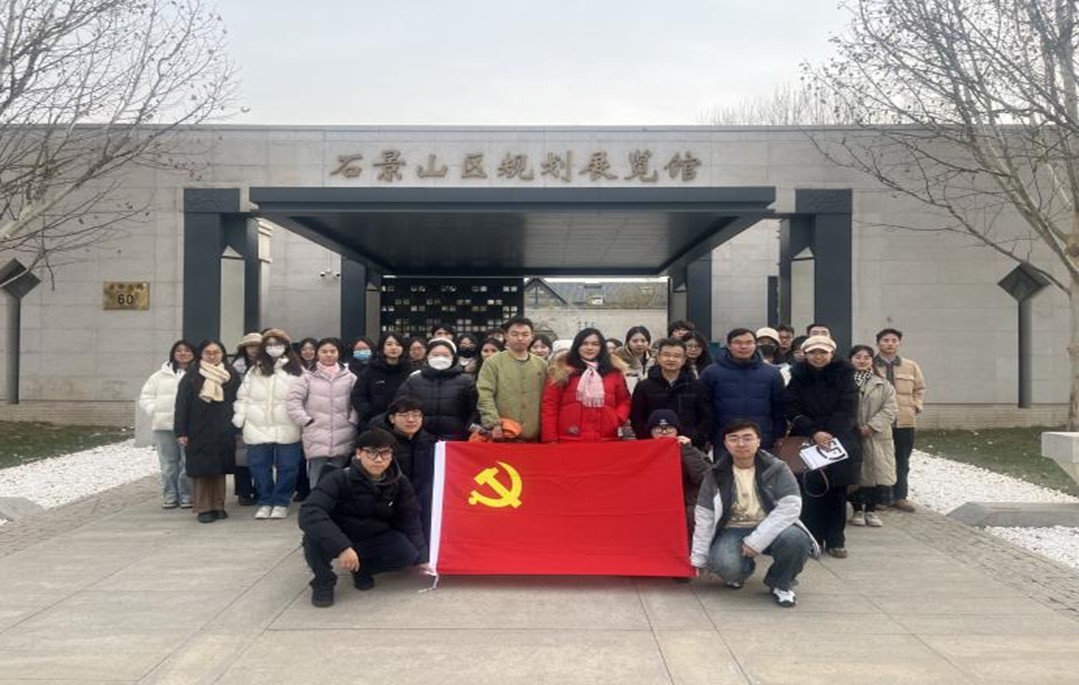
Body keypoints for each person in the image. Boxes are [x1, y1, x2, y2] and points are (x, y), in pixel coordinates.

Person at [690, 419, 818, 608]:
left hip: (771, 524)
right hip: (732, 528)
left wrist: (757, 541)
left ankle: (781, 583)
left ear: (758, 441)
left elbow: (790, 506)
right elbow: (705, 516)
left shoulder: (778, 468)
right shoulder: (715, 474)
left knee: (797, 540)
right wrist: (699, 558)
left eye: (747, 438)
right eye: (734, 439)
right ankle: (740, 571)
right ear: (725, 443)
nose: (741, 444)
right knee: (725, 565)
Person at [298, 427, 428, 608]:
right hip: (339, 534)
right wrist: (342, 547)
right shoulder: (338, 478)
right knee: (312, 538)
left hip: (373, 535)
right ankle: (323, 581)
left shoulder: (399, 482)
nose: (379, 459)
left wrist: (422, 557)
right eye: (372, 453)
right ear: (359, 453)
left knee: (407, 554)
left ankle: (363, 568)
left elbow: (409, 518)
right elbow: (310, 511)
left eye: (385, 453)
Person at [784, 335, 861, 558]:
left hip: (840, 439)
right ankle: (813, 538)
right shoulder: (797, 376)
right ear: (805, 354)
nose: (818, 356)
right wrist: (813, 431)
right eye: (813, 352)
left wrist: (830, 433)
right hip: (808, 439)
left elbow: (848, 408)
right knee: (810, 491)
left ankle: (836, 539)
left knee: (837, 492)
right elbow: (791, 406)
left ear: (832, 353)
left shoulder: (845, 375)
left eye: (823, 352)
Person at [233, 328, 306, 520]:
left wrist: (304, 419)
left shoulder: (297, 370)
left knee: (288, 467)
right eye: (270, 344)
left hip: (288, 425)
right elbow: (243, 396)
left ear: (286, 346)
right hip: (257, 424)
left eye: (278, 344)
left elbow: (306, 397)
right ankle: (265, 500)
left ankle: (281, 501)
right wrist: (240, 417)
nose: (274, 348)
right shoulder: (255, 370)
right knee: (258, 466)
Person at [174, 340, 241, 524]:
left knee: (219, 469)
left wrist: (237, 427)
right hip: (198, 428)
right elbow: (181, 404)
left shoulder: (230, 374)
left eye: (216, 352)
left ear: (222, 354)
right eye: (208, 352)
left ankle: (218, 505)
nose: (212, 356)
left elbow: (238, 401)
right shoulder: (192, 374)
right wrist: (181, 431)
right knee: (201, 469)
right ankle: (203, 508)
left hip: (223, 428)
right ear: (201, 354)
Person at [287, 337, 359, 488]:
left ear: (339, 353)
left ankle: (335, 502)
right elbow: (293, 401)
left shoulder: (350, 377)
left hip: (343, 433)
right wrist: (306, 420)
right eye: (324, 351)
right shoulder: (307, 377)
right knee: (317, 474)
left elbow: (358, 401)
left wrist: (352, 421)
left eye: (333, 351)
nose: (328, 355)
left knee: (339, 476)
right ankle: (316, 501)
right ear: (317, 354)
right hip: (316, 433)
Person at [700, 328, 786, 450]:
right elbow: (704, 407)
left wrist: (779, 435)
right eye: (738, 342)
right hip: (725, 438)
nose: (743, 346)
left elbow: (778, 408)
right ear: (728, 346)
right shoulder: (711, 372)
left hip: (761, 437)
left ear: (755, 345)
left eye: (749, 342)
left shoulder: (771, 373)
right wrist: (706, 436)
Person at [541, 327, 631, 443]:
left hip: (605, 438)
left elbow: (624, 401)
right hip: (569, 438)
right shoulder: (561, 371)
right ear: (577, 346)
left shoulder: (613, 372)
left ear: (601, 347)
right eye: (584, 343)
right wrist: (550, 439)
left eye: (595, 344)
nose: (589, 348)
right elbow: (550, 406)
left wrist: (616, 419)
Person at [873, 328, 926, 513]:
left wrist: (915, 406)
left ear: (899, 343)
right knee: (880, 459)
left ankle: (900, 496)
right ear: (878, 343)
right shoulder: (870, 364)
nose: (890, 343)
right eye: (885, 340)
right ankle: (882, 498)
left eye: (894, 340)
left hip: (904, 422)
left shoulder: (910, 366)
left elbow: (920, 389)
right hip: (879, 422)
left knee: (902, 460)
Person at [139, 339, 195, 509]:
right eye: (179, 350)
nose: (183, 353)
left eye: (187, 350)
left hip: (189, 426)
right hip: (164, 426)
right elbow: (146, 397)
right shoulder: (159, 376)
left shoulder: (197, 374)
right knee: (168, 463)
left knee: (187, 462)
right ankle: (170, 495)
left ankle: (186, 495)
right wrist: (155, 410)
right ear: (173, 353)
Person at [629, 338, 712, 449]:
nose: (671, 359)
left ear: (684, 359)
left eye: (677, 356)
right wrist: (648, 439)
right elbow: (637, 418)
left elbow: (706, 418)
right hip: (653, 446)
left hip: (689, 446)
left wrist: (694, 439)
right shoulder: (644, 386)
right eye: (666, 355)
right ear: (658, 357)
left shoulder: (697, 386)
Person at [476, 315, 548, 442]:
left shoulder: (541, 364)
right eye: (515, 334)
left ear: (531, 336)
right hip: (503, 434)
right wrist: (494, 423)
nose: (520, 338)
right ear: (506, 336)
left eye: (525, 334)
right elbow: (485, 394)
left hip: (534, 436)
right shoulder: (493, 362)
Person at [849, 344, 898, 527]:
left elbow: (890, 408)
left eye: (866, 357)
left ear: (872, 360)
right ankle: (856, 510)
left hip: (876, 436)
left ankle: (871, 510)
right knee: (856, 474)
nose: (862, 361)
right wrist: (853, 427)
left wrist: (872, 426)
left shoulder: (883, 384)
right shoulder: (843, 381)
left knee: (876, 474)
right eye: (858, 357)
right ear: (850, 359)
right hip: (851, 434)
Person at [644, 409, 711, 539]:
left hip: (685, 503)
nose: (664, 433)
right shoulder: (642, 453)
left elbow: (706, 478)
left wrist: (687, 451)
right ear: (650, 432)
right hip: (655, 502)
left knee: (693, 514)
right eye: (658, 429)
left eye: (669, 428)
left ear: (677, 431)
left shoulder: (690, 450)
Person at [394, 338, 478, 441]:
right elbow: (399, 406)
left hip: (456, 439)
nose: (440, 358)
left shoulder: (466, 381)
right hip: (420, 438)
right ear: (427, 356)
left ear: (453, 358)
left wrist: (468, 428)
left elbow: (475, 410)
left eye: (446, 355)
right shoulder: (414, 380)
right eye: (435, 355)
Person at [378, 396, 437, 541]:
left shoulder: (432, 442)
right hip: (391, 503)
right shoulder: (381, 443)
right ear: (392, 418)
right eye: (404, 415)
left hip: (424, 503)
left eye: (416, 415)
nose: (411, 420)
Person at [351, 331, 411, 426]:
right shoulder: (370, 370)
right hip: (375, 423)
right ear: (382, 347)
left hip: (405, 423)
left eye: (398, 344)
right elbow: (358, 396)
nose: (394, 348)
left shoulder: (411, 371)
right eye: (389, 344)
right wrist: (370, 414)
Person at [229, 332, 261, 506]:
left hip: (261, 416)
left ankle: (260, 489)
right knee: (241, 455)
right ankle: (243, 491)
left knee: (260, 456)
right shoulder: (235, 368)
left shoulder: (270, 366)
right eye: (250, 346)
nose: (253, 349)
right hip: (241, 414)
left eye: (257, 346)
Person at [615, 325, 654, 394]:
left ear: (648, 342)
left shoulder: (656, 359)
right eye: (635, 341)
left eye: (643, 341)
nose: (639, 344)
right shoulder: (618, 359)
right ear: (628, 342)